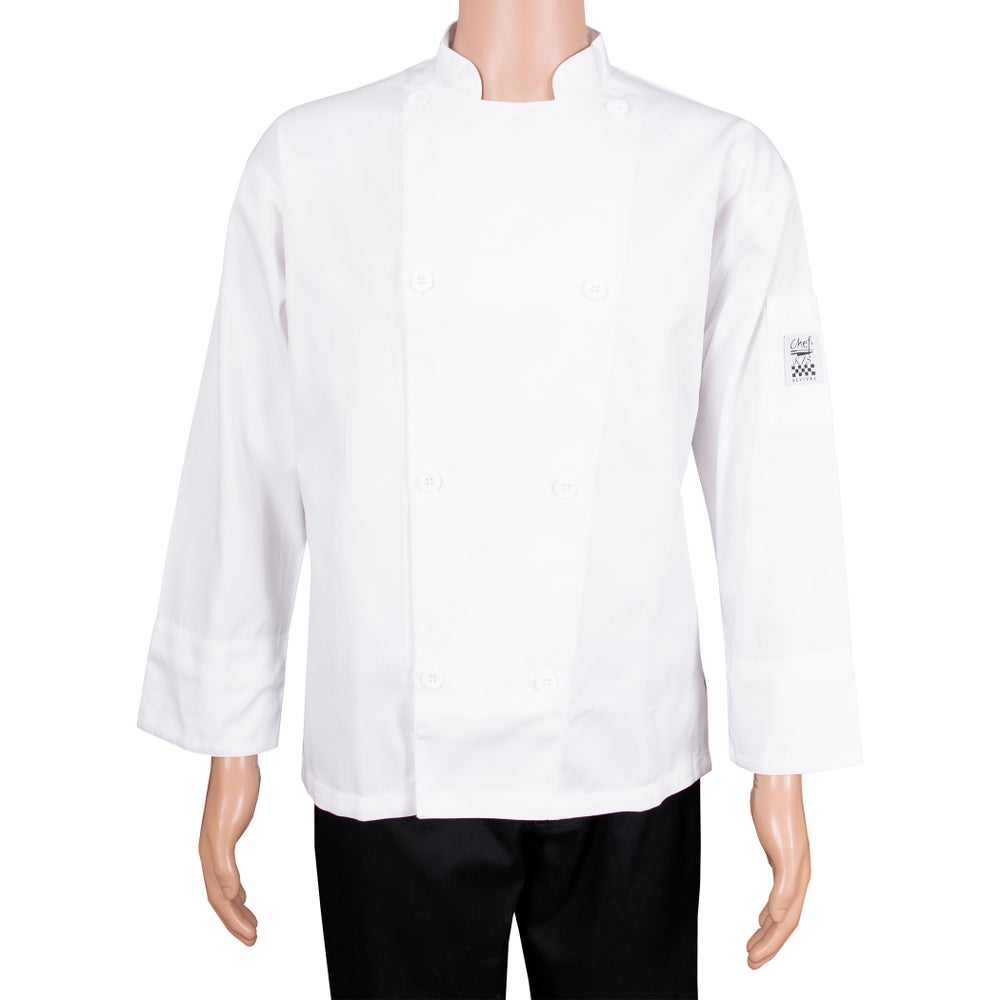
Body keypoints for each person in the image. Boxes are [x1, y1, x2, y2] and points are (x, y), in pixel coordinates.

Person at [137, 3, 863, 997]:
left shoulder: (721, 167)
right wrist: (229, 731)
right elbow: (243, 449)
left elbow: (773, 473)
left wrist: (782, 752)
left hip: (624, 740)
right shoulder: (308, 162)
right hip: (390, 755)